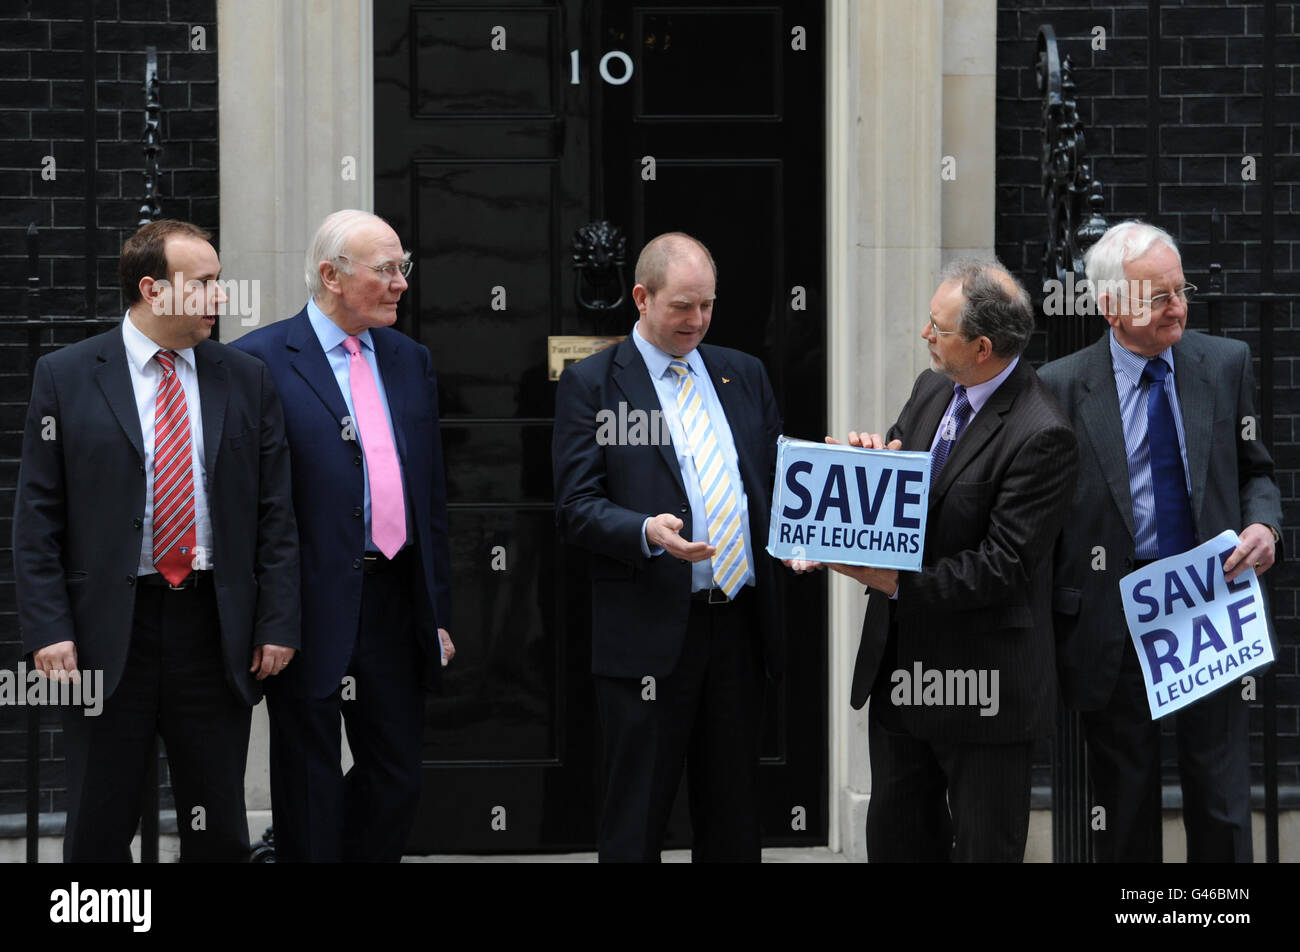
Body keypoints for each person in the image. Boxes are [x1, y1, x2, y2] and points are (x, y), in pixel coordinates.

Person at [12, 219, 300, 862]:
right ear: (153, 289)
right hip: (107, 633)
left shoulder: (245, 378)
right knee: (97, 823)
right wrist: (48, 629)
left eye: (220, 283)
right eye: (203, 284)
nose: (221, 298)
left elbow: (274, 513)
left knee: (217, 823)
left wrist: (277, 620)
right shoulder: (67, 375)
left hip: (212, 626)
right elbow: (38, 516)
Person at [811, 258, 1077, 862]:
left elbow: (1002, 566)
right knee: (898, 843)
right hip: (903, 676)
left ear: (982, 346)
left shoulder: (1043, 433)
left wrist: (896, 583)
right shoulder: (934, 388)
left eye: (938, 327)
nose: (925, 335)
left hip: (985, 689)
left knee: (983, 850)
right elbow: (901, 502)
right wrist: (863, 469)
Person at [1040, 220, 1283, 862]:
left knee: (1223, 798)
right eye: (1159, 296)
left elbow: (1256, 469)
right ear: (1111, 307)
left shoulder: (1224, 365)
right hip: (1114, 614)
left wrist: (1265, 525)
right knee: (1124, 805)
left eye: (1181, 289)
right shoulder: (1060, 386)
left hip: (1211, 606)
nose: (1178, 305)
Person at [552, 232, 783, 862]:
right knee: (637, 814)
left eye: (708, 305)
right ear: (641, 297)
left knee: (734, 812)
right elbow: (576, 507)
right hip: (648, 632)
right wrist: (644, 532)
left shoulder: (744, 373)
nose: (698, 320)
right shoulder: (593, 384)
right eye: (683, 306)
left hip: (737, 625)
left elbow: (771, 484)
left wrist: (805, 532)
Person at [232, 209, 453, 862]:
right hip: (307, 603)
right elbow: (247, 507)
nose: (400, 284)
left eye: (402, 268)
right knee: (308, 780)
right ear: (331, 275)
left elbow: (431, 497)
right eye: (386, 270)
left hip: (393, 601)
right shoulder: (260, 362)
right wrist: (269, 616)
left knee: (396, 777)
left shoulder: (411, 361)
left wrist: (435, 609)